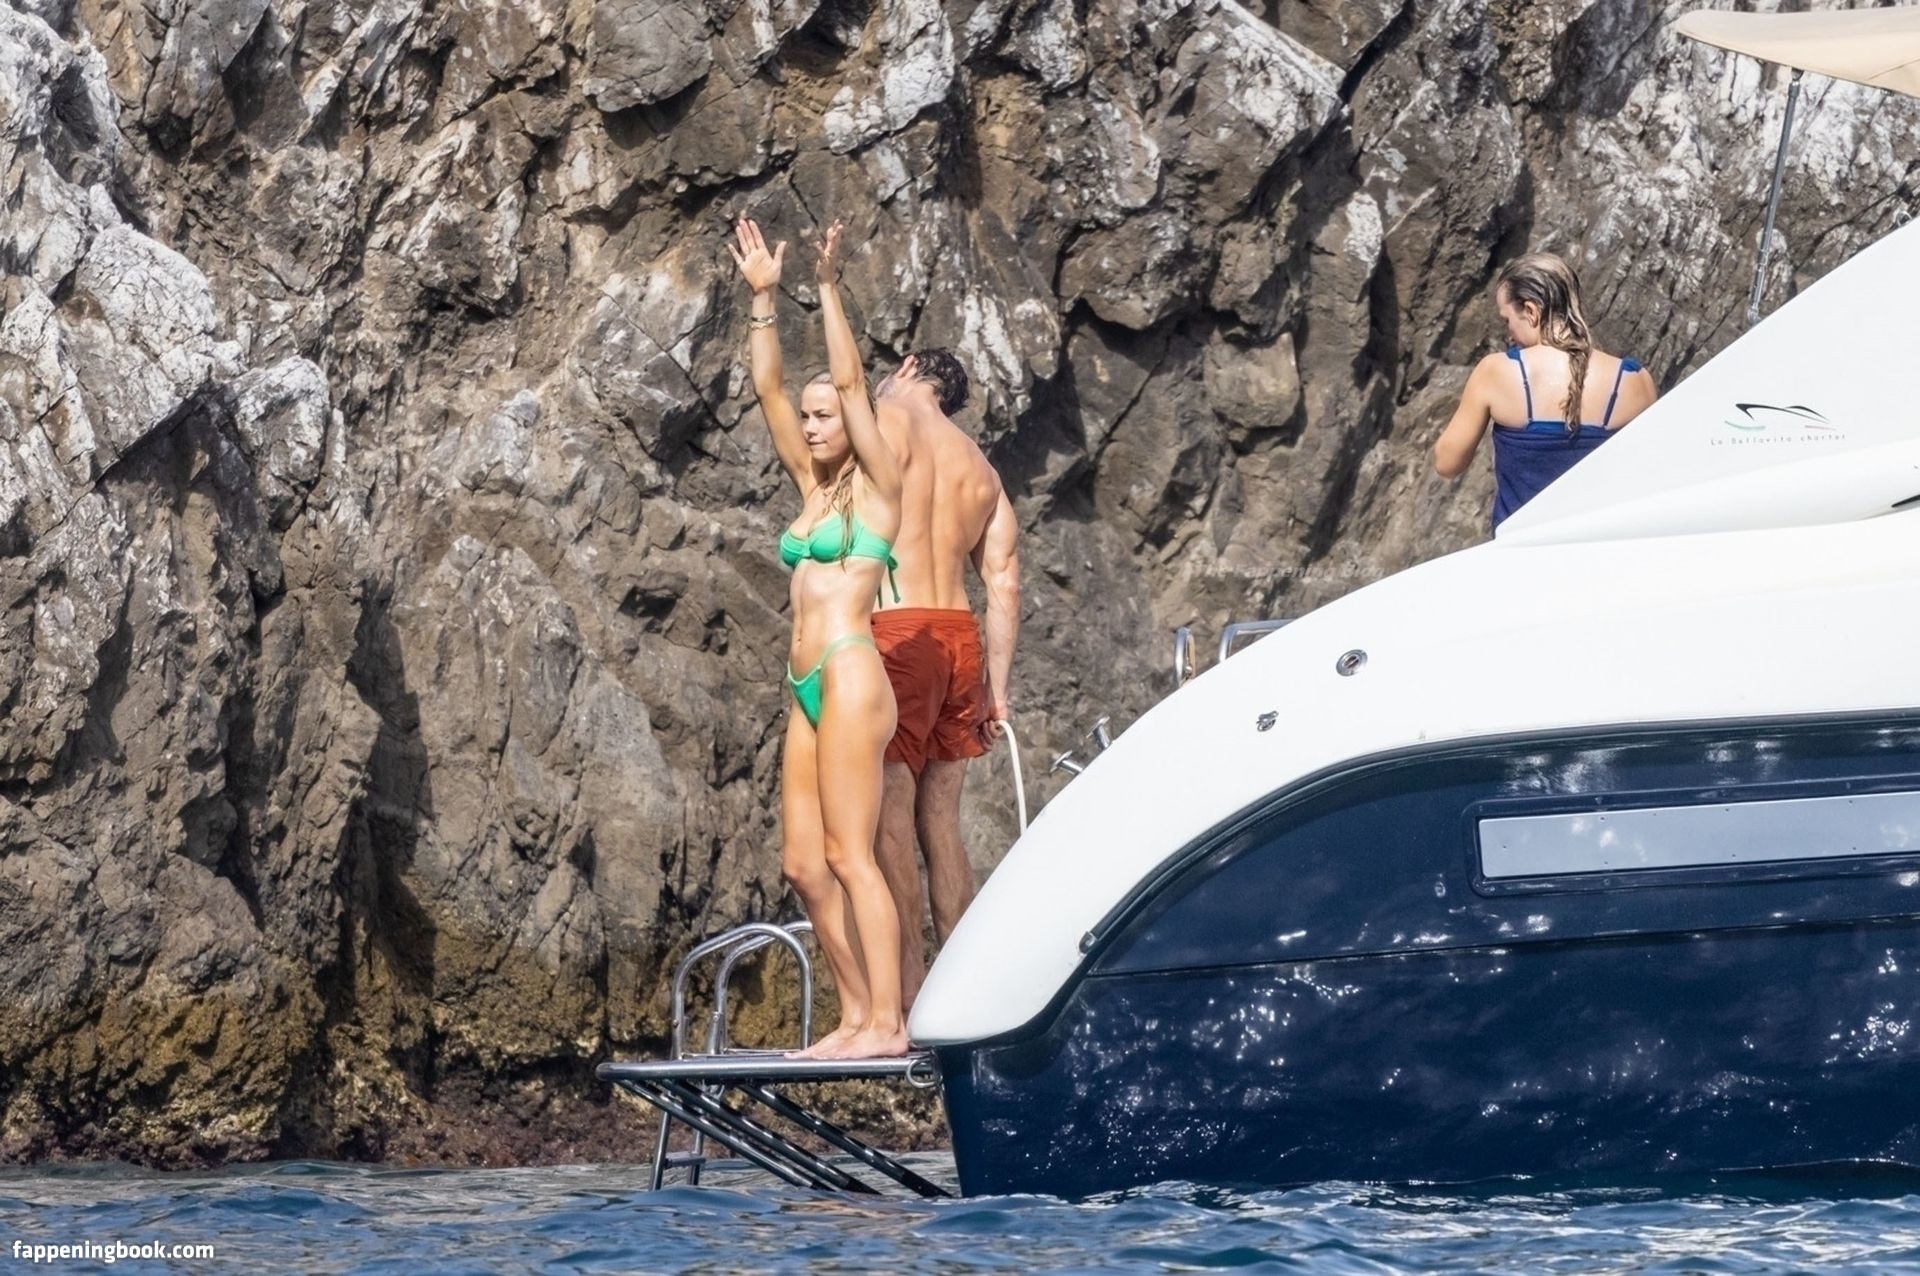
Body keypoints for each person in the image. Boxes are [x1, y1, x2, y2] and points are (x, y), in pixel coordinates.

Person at [728, 216, 909, 1059]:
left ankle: (889, 1022)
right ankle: (855, 1015)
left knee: (850, 855)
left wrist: (828, 287)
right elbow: (769, 388)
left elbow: (850, 378)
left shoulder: (878, 487)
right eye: (808, 419)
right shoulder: (810, 487)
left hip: (849, 671)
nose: (809, 426)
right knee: (804, 865)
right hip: (802, 684)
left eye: (824, 418)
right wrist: (763, 300)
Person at [852, 349, 1018, 1011]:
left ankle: (911, 993)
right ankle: (964, 991)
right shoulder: (981, 468)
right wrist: (997, 690)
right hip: (960, 640)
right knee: (942, 823)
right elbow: (1004, 585)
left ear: (908, 367)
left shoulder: (880, 418)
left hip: (899, 632)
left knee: (890, 818)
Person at [1434, 251, 1658, 530]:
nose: (1509, 335)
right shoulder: (1634, 380)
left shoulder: (1497, 372)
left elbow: (1447, 463)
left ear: (1531, 311)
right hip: (1604, 548)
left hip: (1523, 551)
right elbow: (1651, 478)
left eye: (1507, 321)